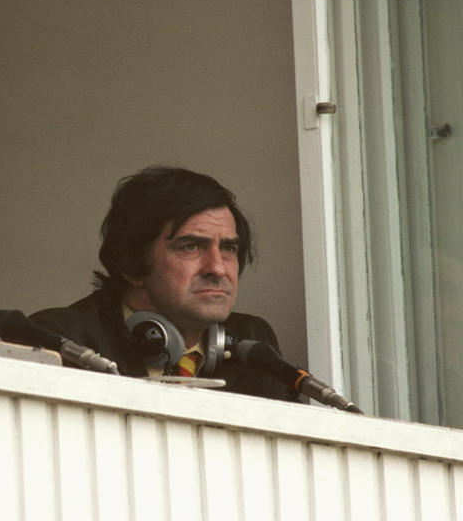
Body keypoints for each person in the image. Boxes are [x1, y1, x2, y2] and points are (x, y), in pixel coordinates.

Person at [29, 166, 298, 401]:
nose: (217, 268)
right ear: (130, 262)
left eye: (228, 249)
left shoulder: (253, 343)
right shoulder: (61, 340)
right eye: (191, 246)